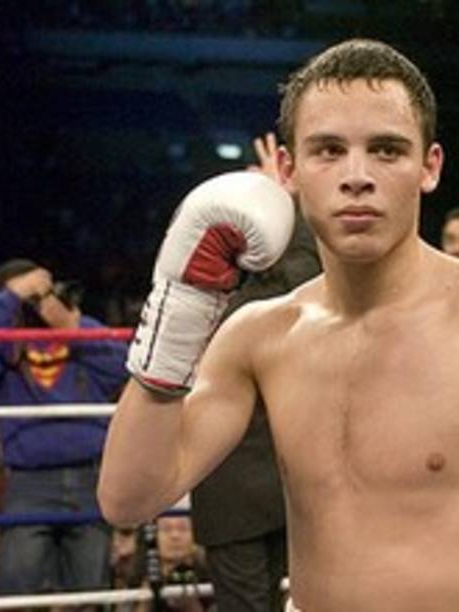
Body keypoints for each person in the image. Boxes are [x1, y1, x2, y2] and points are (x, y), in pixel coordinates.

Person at [99, 38, 459, 611]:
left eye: (387, 150)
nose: (357, 176)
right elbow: (128, 499)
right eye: (329, 150)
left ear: (429, 167)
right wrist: (179, 312)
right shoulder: (260, 336)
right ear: (288, 169)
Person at [190, 133, 321, 612]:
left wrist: (279, 203)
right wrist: (283, 204)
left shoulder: (228, 298)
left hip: (277, 485)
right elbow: (301, 282)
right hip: (243, 486)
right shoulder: (229, 305)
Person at [0, 259, 129, 596]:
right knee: (16, 588)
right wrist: (14, 295)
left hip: (90, 477)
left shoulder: (80, 343)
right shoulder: (1, 357)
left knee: (90, 591)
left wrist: (72, 325)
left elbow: (123, 366)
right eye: (31, 299)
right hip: (29, 481)